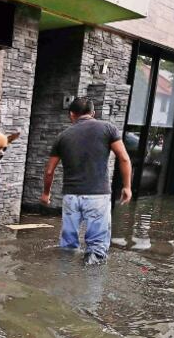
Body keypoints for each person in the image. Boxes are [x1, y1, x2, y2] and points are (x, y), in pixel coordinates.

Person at [40, 97, 132, 265]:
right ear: (93, 113)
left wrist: (46, 193)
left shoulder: (63, 136)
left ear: (71, 115)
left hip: (71, 197)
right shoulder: (108, 129)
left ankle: (65, 274)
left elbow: (49, 171)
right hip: (98, 196)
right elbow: (124, 158)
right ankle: (91, 278)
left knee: (68, 245)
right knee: (97, 248)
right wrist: (127, 186)